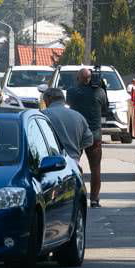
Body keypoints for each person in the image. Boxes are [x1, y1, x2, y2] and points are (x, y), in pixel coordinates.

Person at [66, 68, 107, 208]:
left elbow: (70, 101)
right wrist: (102, 87)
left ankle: (75, 197)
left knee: (73, 166)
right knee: (96, 169)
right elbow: (105, 108)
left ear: (78, 79)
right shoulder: (100, 92)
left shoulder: (72, 92)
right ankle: (94, 200)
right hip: (94, 136)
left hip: (76, 135)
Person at [41, 87, 93, 163]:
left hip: (49, 164)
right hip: (73, 162)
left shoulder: (43, 115)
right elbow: (88, 140)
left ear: (47, 100)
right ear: (63, 100)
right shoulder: (78, 116)